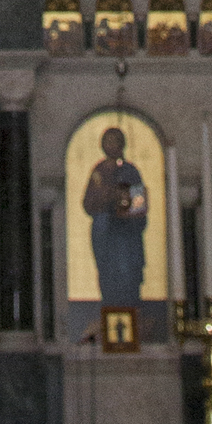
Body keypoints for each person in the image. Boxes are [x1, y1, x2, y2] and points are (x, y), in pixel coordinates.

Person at [84, 124, 150, 324]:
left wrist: (124, 202)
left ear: (122, 144)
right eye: (107, 141)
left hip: (126, 234)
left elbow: (138, 205)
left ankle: (131, 315)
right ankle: (110, 314)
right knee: (108, 274)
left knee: (127, 274)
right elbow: (89, 203)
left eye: (114, 141)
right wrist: (107, 195)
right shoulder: (99, 171)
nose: (110, 145)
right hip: (105, 233)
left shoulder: (130, 171)